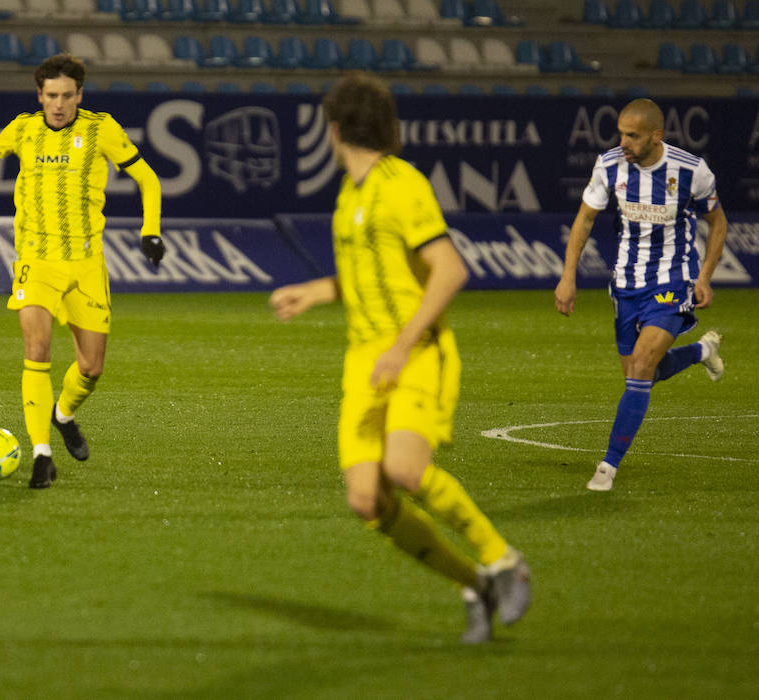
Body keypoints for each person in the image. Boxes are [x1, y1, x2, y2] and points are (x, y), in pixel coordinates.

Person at [269, 73, 530, 644]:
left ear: (335, 129)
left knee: (406, 470)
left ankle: (502, 560)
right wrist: (316, 291)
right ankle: (476, 586)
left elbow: (451, 269)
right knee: (367, 499)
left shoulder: (401, 184)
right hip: (365, 362)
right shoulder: (351, 195)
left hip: (415, 353)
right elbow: (371, 276)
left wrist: (402, 344)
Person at [0, 54, 164, 489]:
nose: (59, 104)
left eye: (68, 96)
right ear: (40, 95)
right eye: (52, 95)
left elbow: (149, 179)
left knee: (91, 367)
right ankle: (41, 454)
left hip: (86, 264)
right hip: (35, 259)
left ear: (79, 96)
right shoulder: (24, 129)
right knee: (38, 350)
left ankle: (63, 414)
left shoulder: (100, 129)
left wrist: (150, 231)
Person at [556, 98, 727, 493]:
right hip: (626, 285)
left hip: (673, 280)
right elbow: (584, 218)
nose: (624, 142)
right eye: (620, 133)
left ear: (656, 135)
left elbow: (717, 223)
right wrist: (568, 276)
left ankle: (607, 468)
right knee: (645, 370)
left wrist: (703, 277)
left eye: (632, 135)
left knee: (642, 365)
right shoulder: (610, 164)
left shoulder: (691, 170)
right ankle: (701, 352)